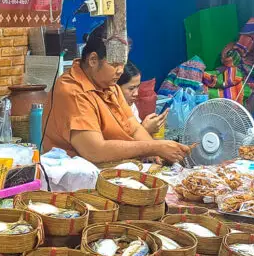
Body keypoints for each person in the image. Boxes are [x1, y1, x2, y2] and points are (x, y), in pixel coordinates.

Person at [42, 24, 191, 164]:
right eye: (114, 64)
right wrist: (154, 147)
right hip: (77, 178)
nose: (120, 71)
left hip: (115, 168)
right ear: (93, 60)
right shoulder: (72, 91)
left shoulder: (110, 86)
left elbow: (134, 128)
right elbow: (95, 151)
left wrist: (157, 155)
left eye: (123, 63)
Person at [117, 62, 166, 136]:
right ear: (116, 87)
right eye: (131, 88)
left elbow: (136, 131)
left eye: (137, 87)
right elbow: (119, 144)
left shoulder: (131, 106)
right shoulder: (108, 110)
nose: (136, 93)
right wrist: (145, 129)